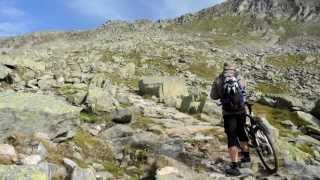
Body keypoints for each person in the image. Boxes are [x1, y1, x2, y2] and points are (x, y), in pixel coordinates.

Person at [210, 62, 251, 176]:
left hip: (228, 113)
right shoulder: (239, 77)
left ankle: (234, 166)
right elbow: (244, 90)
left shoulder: (218, 79)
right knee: (241, 131)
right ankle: (246, 157)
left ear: (224, 69)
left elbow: (213, 96)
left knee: (232, 137)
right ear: (234, 69)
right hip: (241, 111)